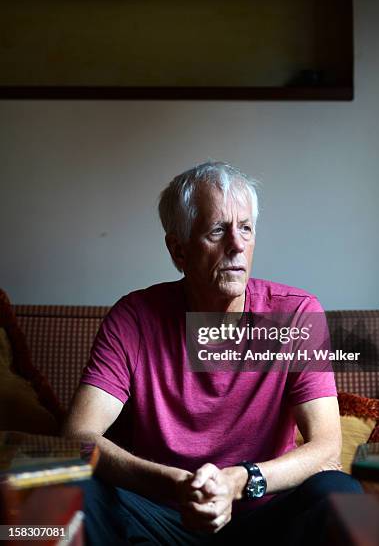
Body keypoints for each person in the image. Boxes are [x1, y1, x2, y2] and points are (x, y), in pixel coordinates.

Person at [63, 161, 362, 545]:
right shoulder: (134, 318)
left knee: (340, 494)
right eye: (217, 230)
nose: (236, 245)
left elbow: (326, 448)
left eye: (246, 228)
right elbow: (77, 435)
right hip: (158, 519)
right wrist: (176, 485)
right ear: (179, 250)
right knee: (72, 490)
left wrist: (239, 480)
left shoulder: (296, 314)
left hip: (262, 518)